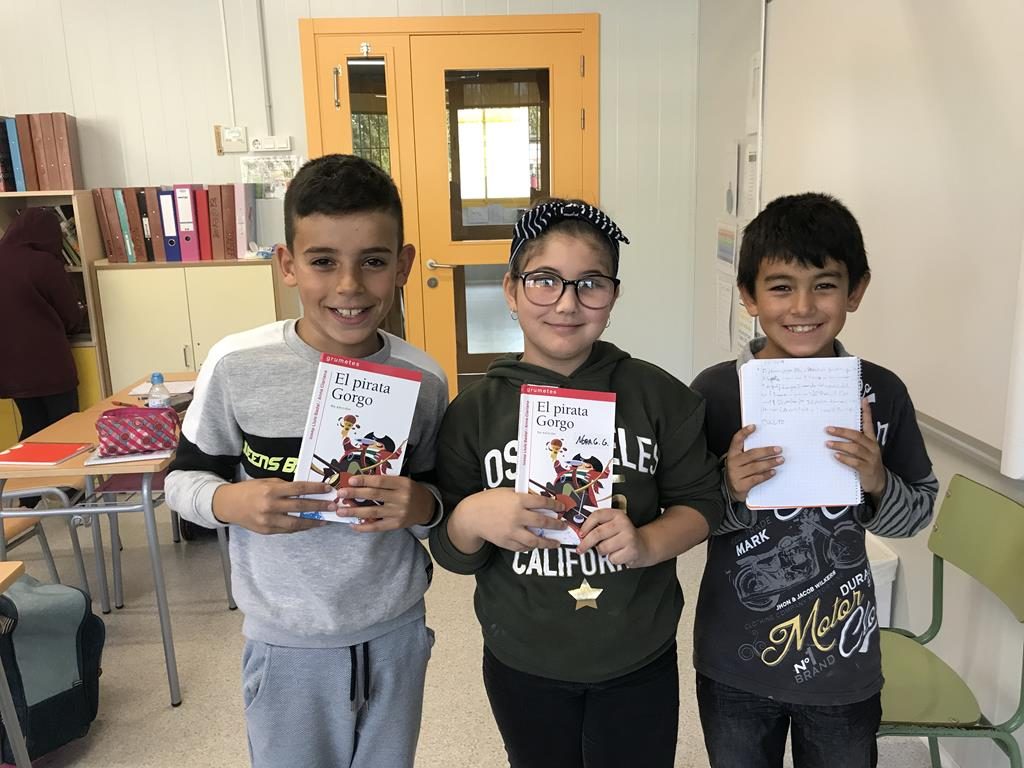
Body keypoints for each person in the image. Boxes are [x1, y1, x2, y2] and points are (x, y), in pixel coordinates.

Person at [165, 154, 448, 768]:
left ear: (402, 265)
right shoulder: (237, 365)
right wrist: (229, 501)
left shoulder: (423, 380)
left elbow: (437, 503)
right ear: (287, 264)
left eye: (373, 261)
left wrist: (421, 506)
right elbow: (181, 480)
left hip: (395, 631)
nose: (349, 286)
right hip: (285, 643)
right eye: (323, 261)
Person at [429, 199, 723, 768]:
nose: (567, 303)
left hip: (637, 654)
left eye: (591, 284)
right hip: (521, 657)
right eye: (545, 281)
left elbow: (702, 503)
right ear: (511, 290)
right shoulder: (473, 414)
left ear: (613, 296)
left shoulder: (659, 398)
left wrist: (647, 543)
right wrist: (470, 517)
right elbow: (451, 551)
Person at [690, 192, 939, 768]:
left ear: (856, 290)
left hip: (842, 658)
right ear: (748, 295)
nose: (802, 306)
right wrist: (729, 490)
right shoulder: (716, 393)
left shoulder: (880, 391)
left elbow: (918, 513)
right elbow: (687, 518)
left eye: (824, 285)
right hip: (735, 657)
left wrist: (878, 481)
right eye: (780, 287)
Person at [0, 207, 86, 439]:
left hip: (10, 369)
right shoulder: (44, 263)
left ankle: (22, 465)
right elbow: (71, 315)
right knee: (66, 429)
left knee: (32, 427)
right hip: (49, 364)